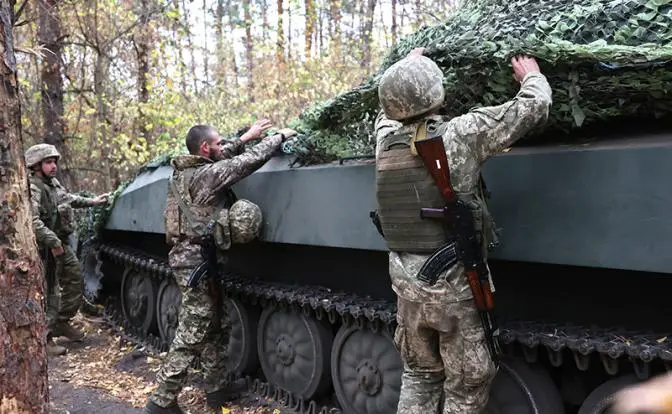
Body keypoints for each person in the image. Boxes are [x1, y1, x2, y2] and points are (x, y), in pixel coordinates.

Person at [373, 49, 552, 413]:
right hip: (452, 286)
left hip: (406, 286)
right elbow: (535, 106)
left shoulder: (384, 144)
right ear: (434, 91)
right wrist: (530, 75)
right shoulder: (459, 135)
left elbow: (384, 117)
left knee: (419, 374)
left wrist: (406, 69)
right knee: (468, 383)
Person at [145, 120, 297, 414]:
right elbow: (244, 163)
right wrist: (276, 137)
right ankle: (161, 401)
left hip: (198, 260)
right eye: (218, 142)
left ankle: (217, 388)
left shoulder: (186, 172)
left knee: (217, 323)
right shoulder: (205, 176)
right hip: (195, 264)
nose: (222, 145)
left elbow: (225, 156)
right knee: (192, 332)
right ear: (204, 148)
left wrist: (247, 136)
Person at [25, 143, 110, 357]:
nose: (53, 166)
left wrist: (92, 201)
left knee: (76, 281)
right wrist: (53, 242)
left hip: (60, 244)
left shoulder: (52, 184)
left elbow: (68, 199)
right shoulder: (33, 187)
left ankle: (61, 322)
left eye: (54, 162)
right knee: (51, 292)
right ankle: (46, 338)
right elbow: (32, 221)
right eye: (48, 162)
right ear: (36, 165)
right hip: (47, 248)